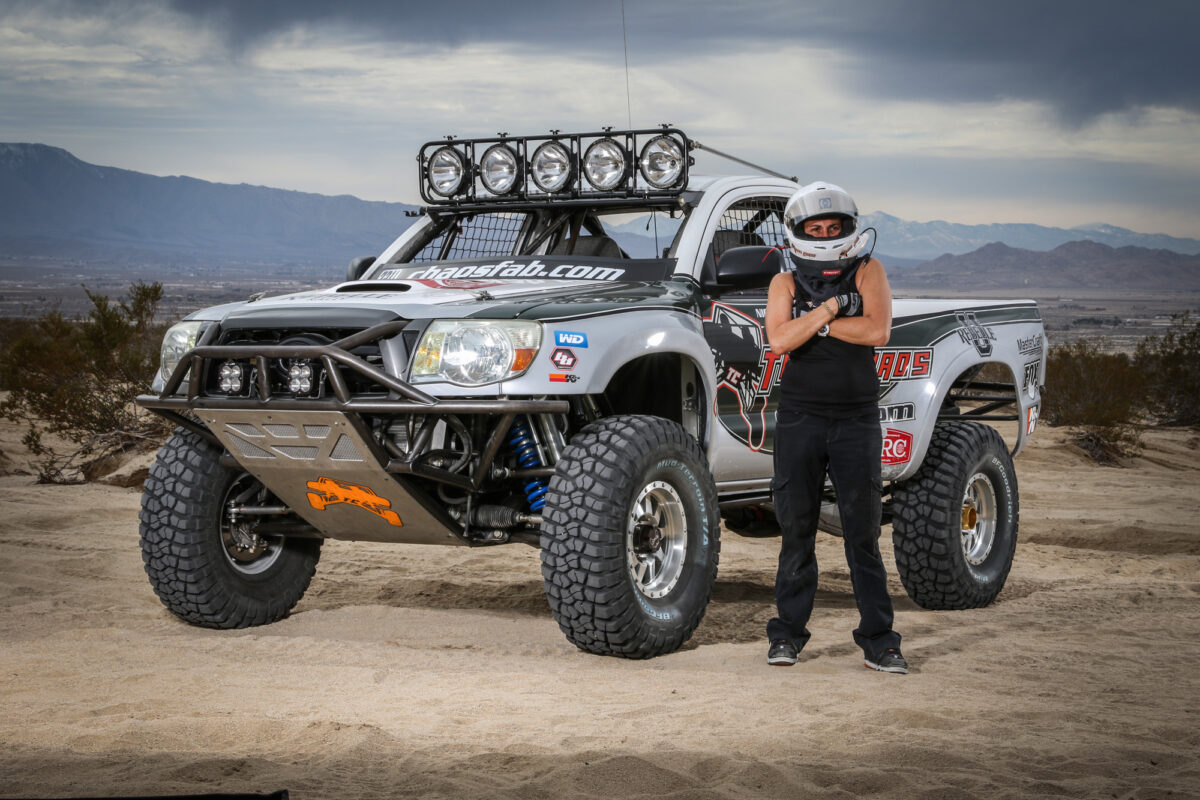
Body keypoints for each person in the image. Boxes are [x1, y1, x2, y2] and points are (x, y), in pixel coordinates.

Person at [763, 181, 907, 674]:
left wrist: (812, 323)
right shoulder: (784, 281)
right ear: (799, 232)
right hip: (800, 418)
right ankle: (787, 635)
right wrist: (832, 309)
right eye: (815, 228)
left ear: (848, 227)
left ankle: (880, 641)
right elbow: (779, 341)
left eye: (832, 227)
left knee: (862, 534)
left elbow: (878, 331)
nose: (824, 234)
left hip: (856, 419)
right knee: (796, 530)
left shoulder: (868, 270)